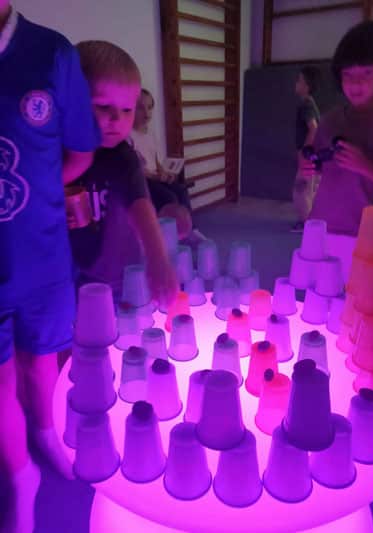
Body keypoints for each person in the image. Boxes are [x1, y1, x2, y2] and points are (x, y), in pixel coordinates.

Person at [0, 3, 99, 533]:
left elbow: (80, 153)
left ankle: (45, 432)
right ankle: (21, 476)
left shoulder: (52, 54)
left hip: (41, 255)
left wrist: (33, 192)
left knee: (41, 365)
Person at [67, 41, 178, 308]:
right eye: (103, 106)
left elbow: (140, 204)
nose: (117, 119)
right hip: (69, 275)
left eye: (127, 109)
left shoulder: (123, 156)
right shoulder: (59, 152)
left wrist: (158, 259)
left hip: (118, 277)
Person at [300, 20, 373, 282]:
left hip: (362, 233)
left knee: (356, 300)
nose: (356, 83)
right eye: (348, 74)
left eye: (366, 73)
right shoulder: (330, 119)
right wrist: (308, 162)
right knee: (315, 296)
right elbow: (316, 159)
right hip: (320, 226)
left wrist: (365, 166)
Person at [132, 88, 206, 244]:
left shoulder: (150, 134)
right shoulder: (128, 136)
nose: (147, 113)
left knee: (181, 190)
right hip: (142, 181)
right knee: (169, 197)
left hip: (155, 177)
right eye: (140, 108)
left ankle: (190, 229)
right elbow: (136, 170)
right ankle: (172, 236)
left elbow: (156, 161)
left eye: (150, 107)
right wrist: (157, 176)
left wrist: (165, 172)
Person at [291, 65, 321, 232]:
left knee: (301, 190)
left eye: (299, 80)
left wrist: (304, 153)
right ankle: (311, 222)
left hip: (308, 157)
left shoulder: (306, 105)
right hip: (313, 158)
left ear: (307, 86)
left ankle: (305, 223)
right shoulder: (310, 104)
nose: (296, 83)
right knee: (310, 190)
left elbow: (314, 128)